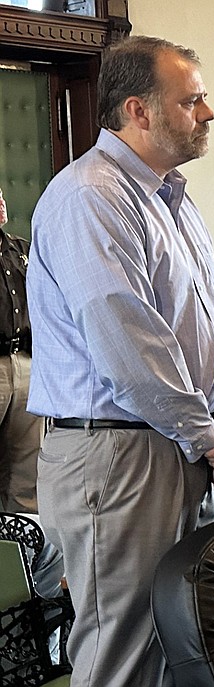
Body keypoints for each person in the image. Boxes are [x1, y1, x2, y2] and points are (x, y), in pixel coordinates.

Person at [26, 35, 214, 687]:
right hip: (119, 456)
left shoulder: (173, 199)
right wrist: (212, 436)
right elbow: (128, 349)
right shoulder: (91, 195)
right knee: (127, 653)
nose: (208, 113)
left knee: (189, 631)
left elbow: (213, 324)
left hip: (180, 443)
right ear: (139, 111)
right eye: (193, 100)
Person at [0, 186, 41, 515]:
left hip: (25, 362)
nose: (0, 204)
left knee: (27, 464)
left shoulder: (21, 250)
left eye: (0, 198)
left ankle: (25, 551)